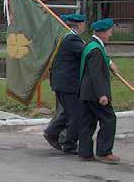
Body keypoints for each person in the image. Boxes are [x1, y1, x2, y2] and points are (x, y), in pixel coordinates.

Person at [78, 18, 119, 164]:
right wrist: (102, 94)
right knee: (109, 119)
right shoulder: (95, 50)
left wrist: (109, 62)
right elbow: (95, 74)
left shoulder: (92, 45)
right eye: (109, 32)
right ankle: (104, 152)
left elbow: (100, 61)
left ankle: (85, 152)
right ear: (102, 33)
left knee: (88, 122)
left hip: (87, 92)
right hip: (95, 93)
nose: (110, 35)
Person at [44, 13, 86, 154]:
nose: (84, 26)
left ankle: (55, 134)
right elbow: (87, 53)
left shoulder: (66, 37)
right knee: (76, 115)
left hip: (62, 82)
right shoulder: (72, 38)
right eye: (83, 24)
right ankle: (67, 143)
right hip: (67, 83)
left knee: (68, 113)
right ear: (79, 25)